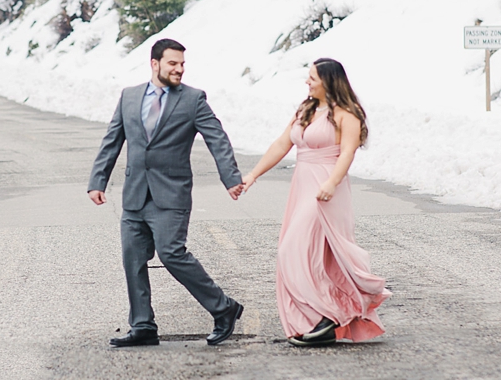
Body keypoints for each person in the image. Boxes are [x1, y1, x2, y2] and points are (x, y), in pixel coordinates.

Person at [88, 38, 246, 347]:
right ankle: (143, 325)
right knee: (132, 259)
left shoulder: (193, 99)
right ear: (155, 63)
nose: (179, 69)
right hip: (135, 194)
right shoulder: (129, 97)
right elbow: (112, 140)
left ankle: (223, 307)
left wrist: (231, 177)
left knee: (172, 253)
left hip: (171, 194)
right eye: (173, 63)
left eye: (182, 64)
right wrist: (98, 180)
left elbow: (217, 138)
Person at [238, 58, 390, 346]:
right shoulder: (305, 109)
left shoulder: (347, 113)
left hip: (326, 190)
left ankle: (329, 315)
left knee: (292, 249)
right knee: (310, 256)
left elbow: (347, 152)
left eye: (312, 78)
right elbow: (282, 144)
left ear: (329, 82)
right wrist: (253, 175)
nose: (307, 83)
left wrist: (331, 182)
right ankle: (320, 319)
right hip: (302, 187)